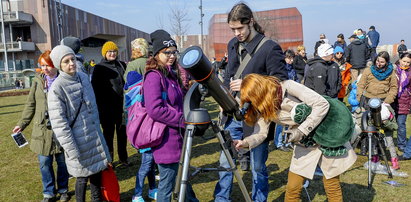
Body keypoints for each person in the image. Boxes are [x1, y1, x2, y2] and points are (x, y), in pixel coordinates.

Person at [234, 73, 357, 201]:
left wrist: (301, 130)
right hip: (305, 143)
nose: (252, 103)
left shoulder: (288, 87)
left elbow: (322, 104)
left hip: (328, 134)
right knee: (293, 187)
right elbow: (261, 133)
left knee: (331, 185)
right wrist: (245, 142)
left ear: (259, 91)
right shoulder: (264, 106)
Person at [215, 3, 288, 202]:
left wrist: (249, 84)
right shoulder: (232, 44)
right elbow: (229, 75)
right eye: (233, 29)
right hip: (232, 113)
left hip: (257, 117)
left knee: (257, 168)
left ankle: (259, 199)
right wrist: (224, 96)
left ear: (251, 22)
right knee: (225, 162)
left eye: (240, 28)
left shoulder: (270, 47)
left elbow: (280, 84)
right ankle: (221, 198)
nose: (237, 33)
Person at [48, 45, 111, 202]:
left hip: (93, 137)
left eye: (72, 59)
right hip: (77, 141)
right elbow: (60, 125)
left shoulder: (83, 77)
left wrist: (98, 131)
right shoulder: (57, 88)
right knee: (82, 178)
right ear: (58, 65)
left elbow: (93, 105)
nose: (71, 63)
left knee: (97, 175)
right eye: (66, 61)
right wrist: (71, 149)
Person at [144, 29, 198, 201]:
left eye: (174, 52)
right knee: (166, 189)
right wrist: (181, 120)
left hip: (178, 139)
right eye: (167, 53)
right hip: (166, 142)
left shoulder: (170, 74)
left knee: (183, 181)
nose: (172, 56)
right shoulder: (154, 76)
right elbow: (155, 109)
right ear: (157, 54)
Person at [12, 50, 69, 202]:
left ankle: (63, 189)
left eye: (48, 65)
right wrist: (21, 124)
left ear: (55, 65)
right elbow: (30, 104)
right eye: (42, 65)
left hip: (60, 129)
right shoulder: (37, 81)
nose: (45, 69)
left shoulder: (63, 80)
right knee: (45, 163)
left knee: (62, 162)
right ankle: (48, 193)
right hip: (41, 130)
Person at [356, 51, 399, 169]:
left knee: (387, 130)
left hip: (384, 102)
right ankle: (375, 155)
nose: (379, 64)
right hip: (368, 101)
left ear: (386, 62)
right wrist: (360, 97)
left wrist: (388, 101)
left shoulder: (391, 73)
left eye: (382, 62)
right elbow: (361, 85)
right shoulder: (368, 70)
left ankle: (394, 158)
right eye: (377, 61)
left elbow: (394, 88)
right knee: (371, 129)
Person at [92, 41, 129, 167]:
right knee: (108, 135)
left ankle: (123, 159)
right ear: (105, 53)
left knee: (122, 134)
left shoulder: (121, 65)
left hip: (121, 107)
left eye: (114, 51)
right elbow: (95, 89)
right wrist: (100, 107)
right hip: (106, 108)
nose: (112, 54)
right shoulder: (99, 68)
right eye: (109, 51)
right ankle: (109, 160)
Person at [124, 71, 158, 202]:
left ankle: (152, 189)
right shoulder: (141, 93)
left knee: (150, 164)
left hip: (140, 135)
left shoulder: (130, 97)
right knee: (146, 166)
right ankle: (137, 194)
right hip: (146, 135)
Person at [274, 49, 298, 152]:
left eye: (292, 58)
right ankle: (279, 143)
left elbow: (295, 80)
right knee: (280, 121)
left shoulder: (293, 70)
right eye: (289, 58)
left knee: (290, 120)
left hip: (291, 97)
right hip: (281, 98)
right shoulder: (280, 69)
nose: (291, 60)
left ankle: (288, 141)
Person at [391, 53, 411, 154]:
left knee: (401, 124)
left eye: (408, 62)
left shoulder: (410, 73)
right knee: (388, 123)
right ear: (400, 60)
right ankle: (387, 143)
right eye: (404, 61)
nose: (405, 63)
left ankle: (401, 144)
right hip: (392, 100)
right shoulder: (393, 71)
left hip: (404, 101)